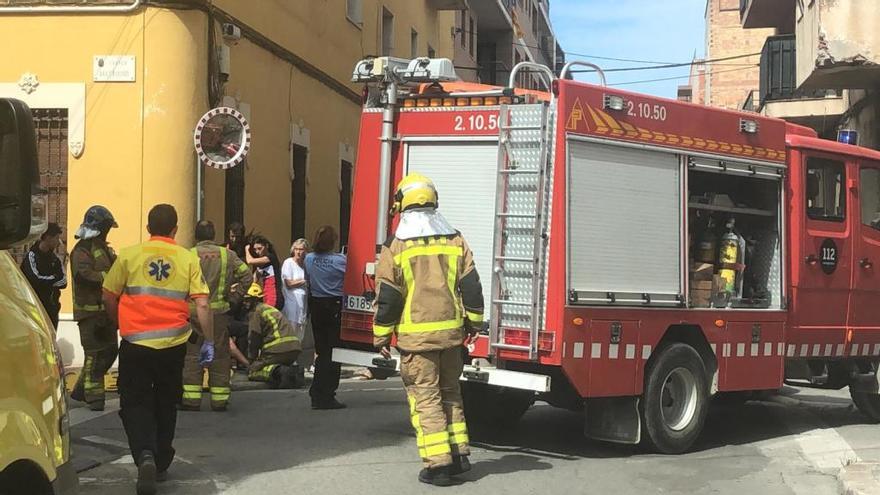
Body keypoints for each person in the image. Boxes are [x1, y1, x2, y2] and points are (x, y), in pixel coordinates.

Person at [373, 173, 484, 487]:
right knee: (451, 395)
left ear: (402, 203)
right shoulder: (455, 239)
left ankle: (438, 466)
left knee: (426, 400)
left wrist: (381, 336)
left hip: (416, 340)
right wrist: (474, 324)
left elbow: (389, 297)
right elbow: (472, 287)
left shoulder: (396, 245)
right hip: (451, 337)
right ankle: (459, 455)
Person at [102, 204, 214, 495]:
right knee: (166, 402)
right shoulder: (187, 258)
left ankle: (144, 455)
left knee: (135, 402)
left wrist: (119, 323)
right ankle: (161, 461)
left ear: (148, 228)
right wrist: (210, 340)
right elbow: (202, 303)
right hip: (173, 345)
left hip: (135, 344)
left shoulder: (129, 255)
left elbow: (108, 294)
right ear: (175, 229)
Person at [181, 220, 252, 412]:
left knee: (192, 355)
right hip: (219, 314)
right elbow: (247, 276)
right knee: (220, 356)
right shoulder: (226, 254)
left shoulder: (187, 255)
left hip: (193, 314)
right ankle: (219, 400)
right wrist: (235, 299)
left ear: (196, 236)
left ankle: (191, 400)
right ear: (213, 235)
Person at [70, 206, 119, 411]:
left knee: (110, 351)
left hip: (105, 312)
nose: (108, 231)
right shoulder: (82, 250)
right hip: (89, 314)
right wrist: (110, 279)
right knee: (95, 355)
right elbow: (83, 275)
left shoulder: (106, 249)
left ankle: (82, 390)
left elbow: (118, 269)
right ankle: (94, 397)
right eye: (106, 227)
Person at [304, 225, 347, 410]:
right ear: (333, 241)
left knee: (322, 351)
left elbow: (308, 279)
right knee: (333, 353)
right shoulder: (341, 261)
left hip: (317, 306)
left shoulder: (309, 258)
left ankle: (317, 392)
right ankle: (327, 394)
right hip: (334, 305)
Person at [243, 283, 304, 388]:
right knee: (278, 363)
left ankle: (279, 371)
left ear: (256, 300)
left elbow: (254, 338)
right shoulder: (269, 309)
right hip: (294, 348)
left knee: (252, 371)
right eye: (244, 300)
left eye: (248, 300)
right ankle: (294, 373)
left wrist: (251, 360)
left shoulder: (256, 312)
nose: (245, 303)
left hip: (276, 350)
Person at [20, 222, 67, 329]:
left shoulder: (55, 259)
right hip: (36, 309)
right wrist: (54, 278)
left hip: (52, 310)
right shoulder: (32, 256)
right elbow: (34, 279)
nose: (58, 242)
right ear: (48, 238)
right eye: (56, 238)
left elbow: (64, 282)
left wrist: (47, 282)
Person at [282, 238, 314, 369]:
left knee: (301, 332)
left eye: (302, 250)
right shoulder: (288, 263)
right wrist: (303, 281)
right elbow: (288, 283)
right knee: (292, 331)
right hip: (291, 303)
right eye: (297, 249)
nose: (299, 252)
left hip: (303, 303)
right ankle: (290, 360)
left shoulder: (306, 265)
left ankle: (295, 359)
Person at [246, 235, 284, 311]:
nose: (257, 252)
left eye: (260, 248)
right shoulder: (261, 265)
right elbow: (255, 278)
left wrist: (246, 249)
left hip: (274, 295)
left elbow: (250, 261)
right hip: (266, 294)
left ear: (266, 246)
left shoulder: (270, 257)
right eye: (255, 249)